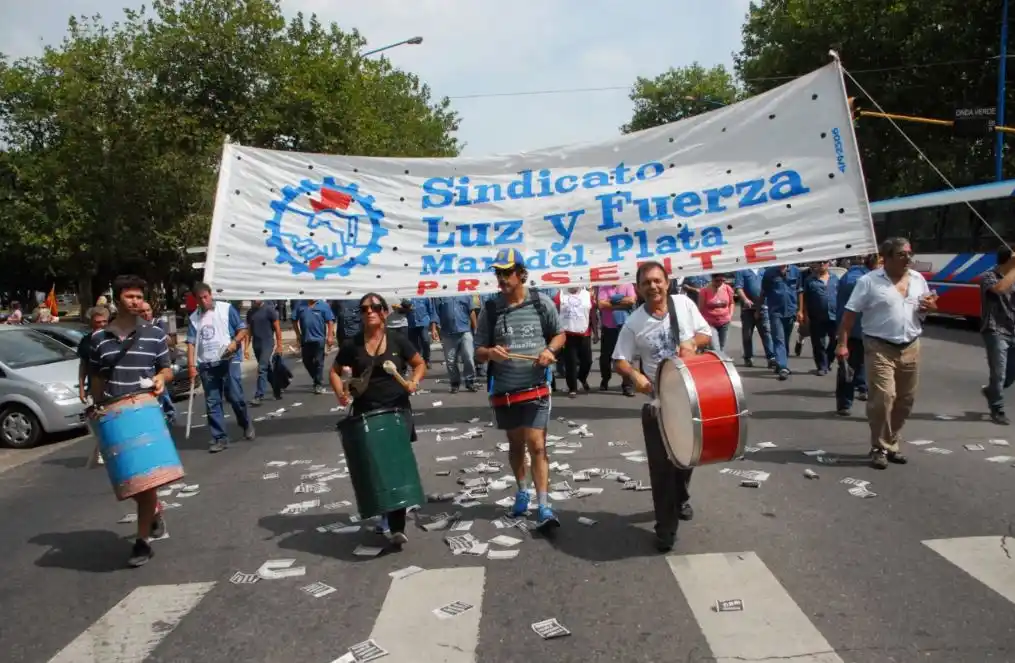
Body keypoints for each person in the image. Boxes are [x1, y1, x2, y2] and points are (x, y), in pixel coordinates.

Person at [612, 261, 712, 552]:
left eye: (657, 281)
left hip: (693, 395)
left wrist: (693, 342)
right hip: (659, 401)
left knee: (688, 458)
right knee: (661, 468)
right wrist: (634, 375)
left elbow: (706, 334)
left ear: (667, 282)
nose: (653, 287)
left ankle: (681, 495)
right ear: (639, 289)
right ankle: (665, 529)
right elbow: (619, 360)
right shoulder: (633, 323)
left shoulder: (684, 304)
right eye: (646, 283)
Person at [87, 274, 175, 567]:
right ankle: (154, 511)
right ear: (117, 299)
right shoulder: (99, 339)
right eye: (130, 297)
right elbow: (97, 379)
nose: (136, 302)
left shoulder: (154, 334)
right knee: (130, 484)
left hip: (145, 413)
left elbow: (167, 369)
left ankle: (142, 543)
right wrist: (97, 412)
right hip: (114, 419)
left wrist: (162, 379)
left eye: (139, 297)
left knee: (145, 485)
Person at [475, 249, 566, 530]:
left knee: (537, 445)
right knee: (516, 445)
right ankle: (522, 491)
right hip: (504, 390)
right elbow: (478, 351)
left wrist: (550, 350)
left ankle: (545, 505)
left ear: (520, 273)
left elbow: (559, 334)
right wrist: (491, 353)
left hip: (537, 387)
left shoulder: (541, 303)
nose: (501, 278)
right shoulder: (490, 309)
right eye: (498, 273)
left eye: (506, 272)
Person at [330, 292, 426, 547]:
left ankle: (396, 525)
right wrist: (341, 393)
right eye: (364, 309)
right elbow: (335, 371)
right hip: (366, 413)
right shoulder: (352, 345)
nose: (368, 311)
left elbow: (419, 364)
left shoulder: (398, 340)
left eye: (374, 307)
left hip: (397, 411)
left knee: (395, 467)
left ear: (384, 312)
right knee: (375, 466)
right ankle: (385, 512)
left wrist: (414, 382)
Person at [836, 237, 937, 470]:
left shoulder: (918, 279)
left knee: (905, 400)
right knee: (883, 398)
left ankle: (892, 443)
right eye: (902, 254)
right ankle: (879, 447)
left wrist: (930, 307)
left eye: (910, 254)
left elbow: (925, 307)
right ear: (887, 258)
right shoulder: (869, 281)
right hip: (879, 346)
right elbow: (850, 314)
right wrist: (842, 343)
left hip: (911, 345)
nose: (908, 259)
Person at [186, 282, 255, 453]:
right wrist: (191, 366)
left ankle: (245, 422)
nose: (204, 301)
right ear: (195, 300)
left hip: (228, 359)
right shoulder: (194, 318)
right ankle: (219, 437)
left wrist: (235, 343)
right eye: (200, 298)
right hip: (207, 364)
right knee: (212, 401)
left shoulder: (226, 309)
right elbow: (191, 343)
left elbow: (242, 329)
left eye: (206, 297)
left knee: (235, 396)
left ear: (211, 295)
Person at [835, 254, 880, 415]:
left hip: (875, 332)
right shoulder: (855, 278)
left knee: (868, 367)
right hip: (855, 331)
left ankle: (865, 390)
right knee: (849, 368)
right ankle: (845, 403)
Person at [980, 245, 1015, 424]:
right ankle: (997, 409)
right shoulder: (989, 276)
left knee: (1010, 375)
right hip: (995, 330)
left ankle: (992, 390)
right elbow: (1000, 289)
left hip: (1013, 329)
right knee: (999, 373)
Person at [762, 264, 803, 380]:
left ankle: (781, 362)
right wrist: (759, 307)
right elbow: (764, 291)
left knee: (785, 339)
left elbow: (800, 291)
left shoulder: (795, 271)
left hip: (790, 310)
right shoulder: (769, 272)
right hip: (775, 311)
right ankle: (783, 367)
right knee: (778, 338)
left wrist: (800, 310)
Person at [429, 295, 478, 393]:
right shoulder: (439, 296)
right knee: (450, 361)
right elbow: (435, 314)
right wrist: (433, 329)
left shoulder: (465, 294)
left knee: (469, 357)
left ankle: (470, 381)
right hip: (448, 333)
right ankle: (455, 383)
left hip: (465, 331)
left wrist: (476, 328)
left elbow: (471, 311)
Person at [597, 281, 637, 395]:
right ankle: (605, 379)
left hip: (625, 326)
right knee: (605, 357)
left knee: (626, 356)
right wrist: (622, 303)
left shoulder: (627, 284)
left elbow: (632, 301)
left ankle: (627, 385)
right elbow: (600, 304)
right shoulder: (603, 286)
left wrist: (611, 301)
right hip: (608, 327)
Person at [554, 286, 595, 397]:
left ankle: (581, 377)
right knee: (570, 363)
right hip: (567, 334)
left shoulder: (587, 295)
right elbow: (555, 313)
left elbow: (592, 313)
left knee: (587, 361)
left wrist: (595, 331)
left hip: (584, 334)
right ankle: (572, 388)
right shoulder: (560, 295)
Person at [801, 261, 839, 375]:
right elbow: (804, 298)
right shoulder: (809, 280)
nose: (822, 264)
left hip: (834, 315)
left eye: (825, 262)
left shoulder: (835, 279)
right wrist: (803, 313)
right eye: (820, 262)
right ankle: (822, 366)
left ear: (829, 264)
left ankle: (828, 360)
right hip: (816, 316)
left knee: (835, 341)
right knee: (819, 342)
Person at [733, 268, 775, 368]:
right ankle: (748, 357)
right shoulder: (742, 270)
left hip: (763, 307)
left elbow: (769, 287)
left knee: (766, 332)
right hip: (747, 308)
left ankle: (771, 357)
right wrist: (745, 299)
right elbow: (738, 288)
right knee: (747, 335)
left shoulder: (763, 271)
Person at [292, 299, 336, 394]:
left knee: (318, 362)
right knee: (306, 361)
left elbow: (330, 321)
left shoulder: (323, 306)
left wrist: (330, 336)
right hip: (306, 338)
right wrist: (298, 334)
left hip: (319, 339)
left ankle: (318, 384)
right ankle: (317, 378)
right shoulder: (300, 304)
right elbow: (294, 320)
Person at [245, 300, 284, 405]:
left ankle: (259, 396)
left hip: (267, 343)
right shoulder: (250, 312)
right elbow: (249, 331)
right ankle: (277, 389)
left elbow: (277, 328)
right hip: (256, 344)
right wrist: (246, 348)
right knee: (266, 368)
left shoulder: (269, 310)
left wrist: (279, 345)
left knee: (262, 368)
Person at [696, 273, 735, 352]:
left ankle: (721, 362)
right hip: (710, 323)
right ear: (712, 279)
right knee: (715, 347)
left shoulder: (727, 288)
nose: (720, 283)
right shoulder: (704, 291)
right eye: (717, 281)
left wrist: (730, 315)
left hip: (724, 322)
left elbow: (732, 303)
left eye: (722, 280)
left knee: (722, 346)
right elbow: (700, 308)